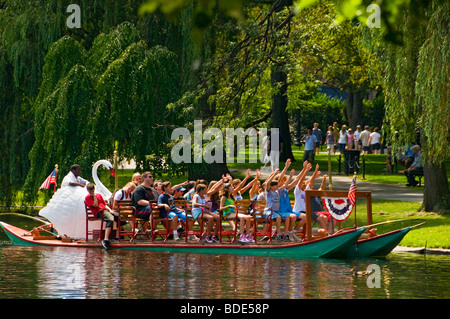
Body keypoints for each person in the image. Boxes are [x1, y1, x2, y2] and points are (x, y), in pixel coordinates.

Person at [85, 183, 116, 250]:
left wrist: (110, 210)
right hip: (98, 212)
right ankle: (106, 239)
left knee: (118, 216)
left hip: (105, 210)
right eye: (90, 191)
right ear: (87, 190)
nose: (91, 192)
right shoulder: (87, 198)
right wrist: (93, 196)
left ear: (94, 189)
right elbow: (95, 205)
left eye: (92, 191)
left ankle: (117, 237)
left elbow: (105, 205)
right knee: (110, 219)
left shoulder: (99, 195)